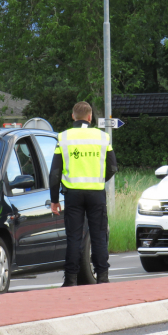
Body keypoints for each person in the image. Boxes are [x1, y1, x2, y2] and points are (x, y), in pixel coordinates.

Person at [49, 102, 118, 286]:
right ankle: (102, 277)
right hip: (96, 193)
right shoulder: (103, 137)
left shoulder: (63, 138)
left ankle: (70, 279)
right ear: (90, 117)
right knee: (98, 235)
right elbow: (112, 167)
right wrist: (98, 179)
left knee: (74, 237)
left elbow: (55, 173)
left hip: (73, 194)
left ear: (73, 116)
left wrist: (54, 200)